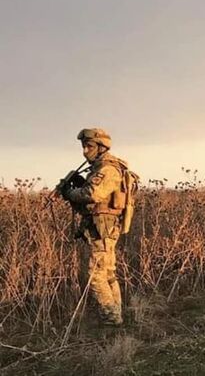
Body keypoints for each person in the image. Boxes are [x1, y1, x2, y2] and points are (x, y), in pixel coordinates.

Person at [60, 128, 133, 326]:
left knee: (96, 275)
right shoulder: (101, 168)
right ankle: (116, 316)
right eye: (84, 147)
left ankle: (111, 319)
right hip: (102, 227)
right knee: (108, 273)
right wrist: (80, 186)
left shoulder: (108, 169)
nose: (85, 151)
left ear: (101, 147)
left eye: (89, 146)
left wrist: (70, 193)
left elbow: (92, 194)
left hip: (103, 229)